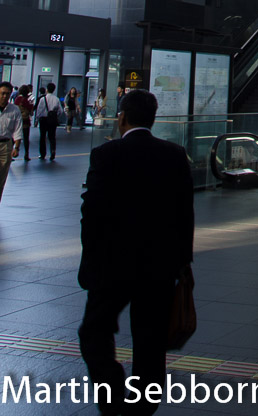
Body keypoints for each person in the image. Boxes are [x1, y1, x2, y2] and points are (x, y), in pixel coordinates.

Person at [78, 88, 194, 414]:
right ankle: (143, 406)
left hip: (111, 265)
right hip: (159, 267)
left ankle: (112, 393)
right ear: (153, 119)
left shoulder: (106, 154)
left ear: (122, 118)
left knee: (94, 331)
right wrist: (182, 263)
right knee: (150, 339)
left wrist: (91, 260)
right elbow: (185, 214)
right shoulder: (174, 154)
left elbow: (91, 213)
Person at [0, 81, 23, 201]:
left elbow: (18, 130)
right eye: (2, 93)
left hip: (5, 146)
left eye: (7, 94)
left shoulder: (14, 110)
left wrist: (17, 147)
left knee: (1, 178)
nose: (5, 96)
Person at [36, 83, 63, 160]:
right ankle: (53, 152)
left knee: (42, 137)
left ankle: (42, 154)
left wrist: (37, 119)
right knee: (52, 137)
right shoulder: (56, 99)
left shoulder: (43, 99)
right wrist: (56, 116)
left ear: (47, 89)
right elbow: (60, 111)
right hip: (52, 120)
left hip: (43, 119)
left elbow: (39, 110)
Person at [14, 84, 35, 160]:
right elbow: (31, 111)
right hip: (25, 121)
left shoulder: (17, 99)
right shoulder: (27, 100)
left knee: (14, 137)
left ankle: (12, 152)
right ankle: (26, 154)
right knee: (26, 138)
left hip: (17, 120)